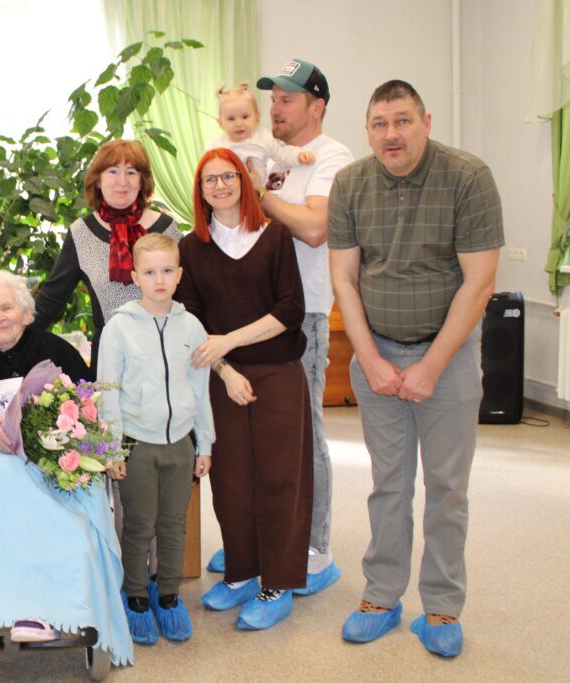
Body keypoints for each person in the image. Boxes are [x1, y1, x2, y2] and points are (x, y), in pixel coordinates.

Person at [328, 80, 503, 657]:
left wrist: (430, 366)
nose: (391, 134)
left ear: (426, 122)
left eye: (402, 121)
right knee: (389, 485)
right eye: (379, 124)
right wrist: (370, 359)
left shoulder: (468, 177)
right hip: (377, 352)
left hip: (448, 357)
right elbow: (344, 279)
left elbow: (479, 284)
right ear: (368, 130)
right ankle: (381, 597)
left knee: (448, 487)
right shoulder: (351, 184)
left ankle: (443, 606)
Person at [0, 271, 132, 676]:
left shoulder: (57, 351)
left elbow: (89, 400)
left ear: (27, 313)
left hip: (47, 466)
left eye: (7, 307)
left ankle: (41, 610)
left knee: (38, 501)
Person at [205, 59, 355, 593]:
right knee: (252, 439)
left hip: (303, 313)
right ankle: (257, 541)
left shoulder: (331, 156)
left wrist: (255, 192)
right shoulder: (271, 156)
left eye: (287, 99)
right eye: (272, 99)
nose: (275, 108)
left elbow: (314, 228)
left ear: (317, 106)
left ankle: (313, 548)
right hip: (251, 313)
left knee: (300, 438)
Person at [177, 147, 311, 631]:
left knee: (280, 478)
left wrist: (229, 342)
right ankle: (240, 572)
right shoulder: (192, 247)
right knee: (230, 480)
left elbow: (290, 310)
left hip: (278, 371)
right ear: (200, 190)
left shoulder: (274, 236)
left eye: (228, 176)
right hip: (222, 377)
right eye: (210, 179)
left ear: (243, 181)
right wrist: (226, 370)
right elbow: (191, 321)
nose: (220, 185)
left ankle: (277, 582)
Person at [96, 233, 214, 644]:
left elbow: (201, 390)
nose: (159, 280)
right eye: (149, 272)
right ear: (135, 278)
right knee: (139, 524)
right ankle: (135, 597)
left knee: (174, 524)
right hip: (136, 442)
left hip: (180, 442)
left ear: (179, 275)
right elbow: (107, 391)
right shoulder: (119, 328)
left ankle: (168, 595)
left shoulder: (192, 326)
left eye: (167, 271)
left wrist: (205, 443)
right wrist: (112, 448)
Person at [32, 139, 182, 372]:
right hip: (112, 360)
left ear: (142, 181)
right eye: (113, 171)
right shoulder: (81, 233)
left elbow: (189, 295)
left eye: (131, 172)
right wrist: (11, 340)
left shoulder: (167, 229)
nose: (122, 181)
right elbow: (50, 300)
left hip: (167, 354)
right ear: (98, 180)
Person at [207, 82, 314, 184]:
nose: (239, 124)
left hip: (256, 192)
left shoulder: (264, 137)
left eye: (245, 117)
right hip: (228, 191)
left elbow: (281, 153)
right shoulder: (216, 146)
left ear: (257, 117)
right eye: (231, 119)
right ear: (220, 123)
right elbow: (206, 171)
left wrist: (298, 155)